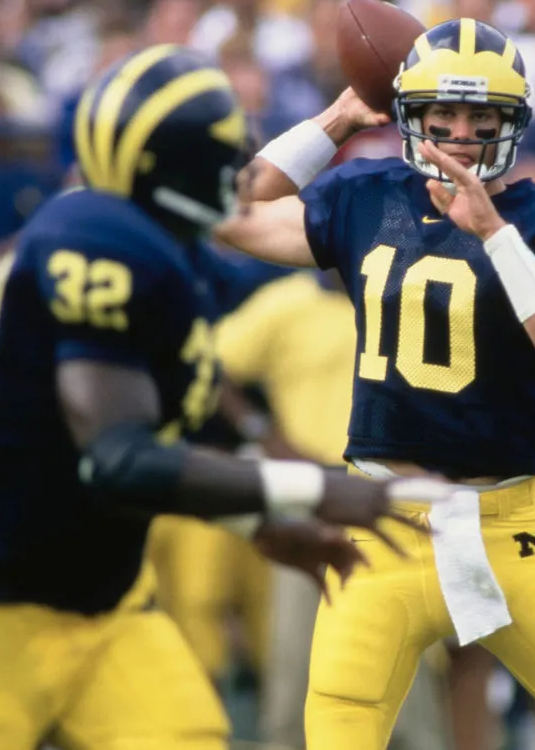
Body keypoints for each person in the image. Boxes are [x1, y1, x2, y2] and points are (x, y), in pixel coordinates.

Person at [0, 45, 453, 750]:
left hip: (109, 609)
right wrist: (308, 488)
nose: (241, 166)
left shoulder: (162, 245)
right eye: (224, 154)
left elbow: (178, 425)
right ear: (174, 173)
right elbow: (120, 458)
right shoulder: (93, 239)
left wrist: (261, 521)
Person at [217, 17, 535, 750]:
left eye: (480, 117)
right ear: (410, 117)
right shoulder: (367, 194)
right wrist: (338, 117)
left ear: (512, 123)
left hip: (511, 527)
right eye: (443, 115)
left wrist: (496, 232)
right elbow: (229, 213)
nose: (461, 133)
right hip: (382, 521)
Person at [215, 267, 454, 750]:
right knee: (298, 660)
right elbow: (213, 365)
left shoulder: (409, 294)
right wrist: (266, 434)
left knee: (410, 664)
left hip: (397, 491)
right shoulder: (285, 302)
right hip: (312, 492)